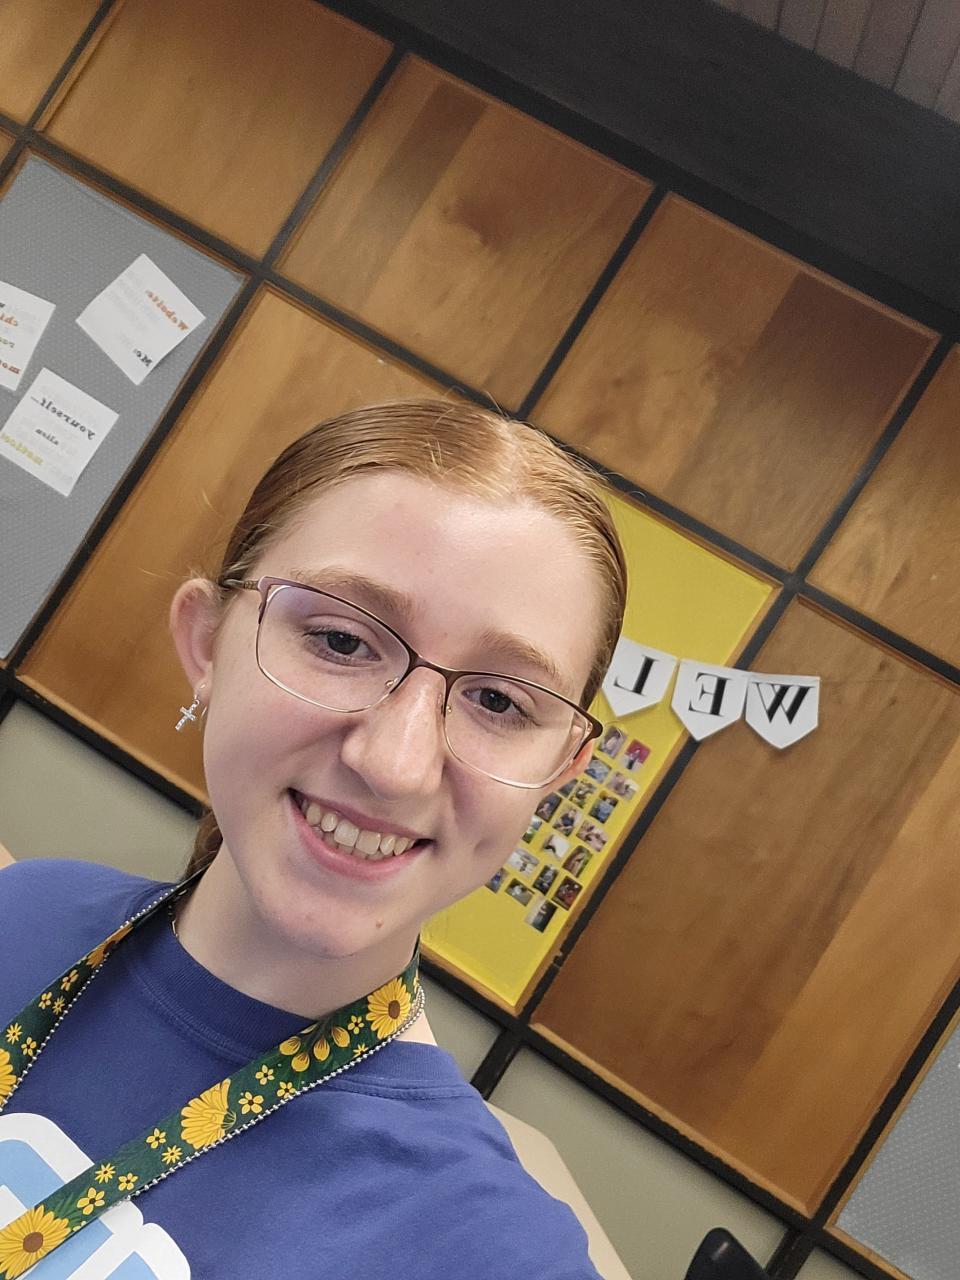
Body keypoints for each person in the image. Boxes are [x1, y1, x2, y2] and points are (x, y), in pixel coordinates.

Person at [0, 400, 627, 1280]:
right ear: (207, 642)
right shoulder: (22, 913)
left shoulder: (492, 1255)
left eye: (498, 701)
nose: (396, 765)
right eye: (340, 640)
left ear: (560, 770)